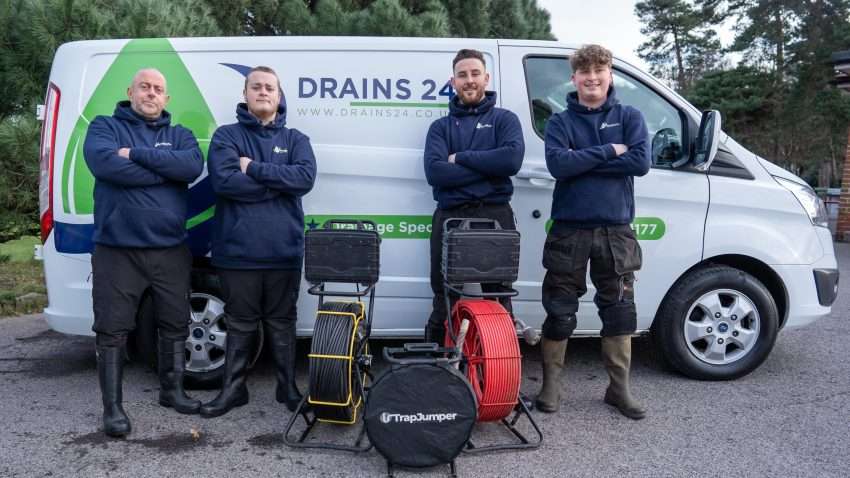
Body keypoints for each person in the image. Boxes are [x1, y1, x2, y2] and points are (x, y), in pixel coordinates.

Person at [83, 68, 205, 437]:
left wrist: (134, 155)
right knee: (112, 330)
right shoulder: (104, 127)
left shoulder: (180, 134)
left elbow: (191, 166)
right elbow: (105, 165)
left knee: (174, 322)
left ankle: (172, 391)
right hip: (117, 250)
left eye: (158, 89)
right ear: (130, 91)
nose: (151, 93)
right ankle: (113, 409)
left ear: (166, 98)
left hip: (169, 249)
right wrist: (165, 171)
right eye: (144, 87)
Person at [536, 44, 651, 419]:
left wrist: (582, 159)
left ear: (609, 74)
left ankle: (619, 390)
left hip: (615, 232)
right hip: (570, 231)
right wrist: (609, 151)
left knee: (619, 311)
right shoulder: (559, 122)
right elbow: (559, 165)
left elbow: (640, 161)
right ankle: (550, 386)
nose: (592, 77)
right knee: (559, 310)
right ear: (574, 78)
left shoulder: (630, 115)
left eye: (599, 70)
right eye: (584, 72)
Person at [202, 66, 317, 418]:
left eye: (270, 87)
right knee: (239, 322)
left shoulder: (297, 139)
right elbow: (224, 184)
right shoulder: (226, 137)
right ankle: (233, 390)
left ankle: (287, 388)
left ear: (279, 96)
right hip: (237, 251)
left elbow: (304, 178)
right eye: (256, 87)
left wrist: (252, 168)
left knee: (282, 321)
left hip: (283, 250)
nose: (263, 92)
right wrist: (278, 184)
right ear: (245, 94)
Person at [422, 49, 525, 345]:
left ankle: (501, 373)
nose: (469, 80)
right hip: (450, 218)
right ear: (453, 81)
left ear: (486, 78)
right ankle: (438, 367)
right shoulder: (440, 128)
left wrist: (461, 158)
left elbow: (511, 162)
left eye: (475, 74)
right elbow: (437, 174)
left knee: (499, 296)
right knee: (443, 296)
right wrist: (489, 169)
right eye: (463, 75)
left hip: (495, 215)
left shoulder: (505, 120)